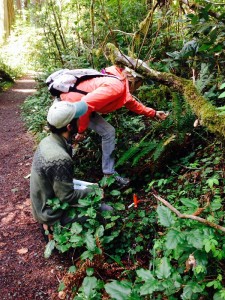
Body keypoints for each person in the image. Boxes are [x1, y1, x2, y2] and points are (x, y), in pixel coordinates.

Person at [59, 65, 168, 187]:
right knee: (66, 141)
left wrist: (153, 113)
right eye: (140, 85)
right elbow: (85, 104)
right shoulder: (116, 86)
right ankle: (60, 180)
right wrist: (81, 130)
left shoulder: (119, 81)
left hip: (80, 107)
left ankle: (109, 175)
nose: (139, 88)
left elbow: (131, 103)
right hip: (69, 106)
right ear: (135, 81)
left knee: (108, 132)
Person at [30, 100, 95, 239]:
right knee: (106, 211)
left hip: (41, 204)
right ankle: (53, 228)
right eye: (78, 119)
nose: (81, 120)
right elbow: (67, 197)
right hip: (49, 213)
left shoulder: (48, 141)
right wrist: (94, 190)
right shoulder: (60, 158)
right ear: (70, 127)